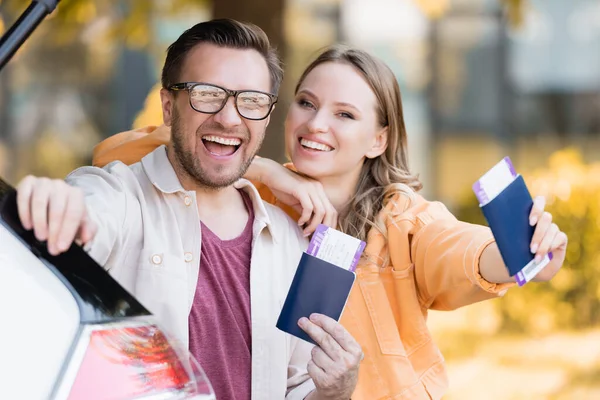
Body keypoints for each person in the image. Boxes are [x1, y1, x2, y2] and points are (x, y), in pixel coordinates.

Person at [90, 45, 568, 399]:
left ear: (378, 139)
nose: (317, 124)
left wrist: (519, 256)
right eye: (306, 103)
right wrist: (268, 169)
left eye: (344, 114)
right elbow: (118, 152)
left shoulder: (401, 220)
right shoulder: (257, 198)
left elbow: (460, 249)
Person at [15, 20, 365, 400]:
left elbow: (297, 386)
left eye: (251, 101)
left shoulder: (291, 241)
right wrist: (57, 208)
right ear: (169, 107)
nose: (229, 118)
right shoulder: (120, 197)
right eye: (207, 94)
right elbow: (87, 213)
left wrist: (333, 392)